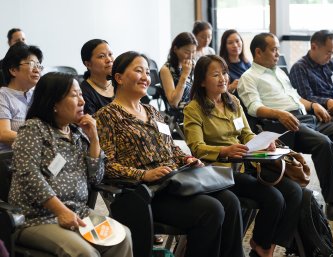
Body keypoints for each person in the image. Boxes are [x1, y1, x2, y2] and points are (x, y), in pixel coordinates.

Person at [95, 51, 244, 257]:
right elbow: (106, 166)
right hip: (147, 193)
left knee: (231, 201)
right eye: (139, 71)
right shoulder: (107, 116)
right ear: (119, 78)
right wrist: (144, 175)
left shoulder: (153, 112)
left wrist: (187, 158)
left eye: (147, 72)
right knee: (212, 210)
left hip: (176, 182)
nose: (146, 77)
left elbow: (172, 148)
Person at [237, 32, 333, 221]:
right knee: (323, 143)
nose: (277, 54)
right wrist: (279, 113)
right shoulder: (249, 77)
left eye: (278, 50)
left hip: (306, 119)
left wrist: (313, 105)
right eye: (273, 50)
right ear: (258, 52)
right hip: (283, 125)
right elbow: (254, 108)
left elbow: (297, 99)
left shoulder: (279, 72)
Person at [184, 55, 302, 257]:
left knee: (294, 192)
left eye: (224, 73)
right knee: (274, 198)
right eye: (215, 74)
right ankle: (262, 248)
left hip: (247, 165)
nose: (223, 78)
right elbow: (197, 148)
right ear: (202, 81)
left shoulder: (233, 102)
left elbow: (246, 133)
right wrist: (224, 151)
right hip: (219, 172)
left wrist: (263, 141)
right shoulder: (194, 109)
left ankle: (263, 245)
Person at [8, 72, 133, 257]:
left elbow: (95, 178)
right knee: (84, 253)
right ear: (54, 103)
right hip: (37, 218)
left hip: (78, 212)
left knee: (123, 237)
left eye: (81, 94)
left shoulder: (77, 134)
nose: (82, 101)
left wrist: (94, 139)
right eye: (74, 95)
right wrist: (61, 211)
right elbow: (28, 174)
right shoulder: (34, 129)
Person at [0, 42, 43, 152]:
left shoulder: (38, 94)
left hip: (36, 156)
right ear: (13, 70)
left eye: (38, 65)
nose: (37, 70)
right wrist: (40, 139)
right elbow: (3, 133)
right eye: (31, 64)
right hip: (9, 160)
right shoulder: (3, 96)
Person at [160, 32, 197, 110]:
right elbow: (174, 103)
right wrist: (184, 75)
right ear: (175, 49)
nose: (190, 56)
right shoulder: (166, 69)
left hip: (196, 108)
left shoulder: (193, 64)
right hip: (181, 113)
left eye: (193, 52)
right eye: (186, 52)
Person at [80, 39, 114, 115]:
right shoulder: (83, 93)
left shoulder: (120, 82)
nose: (109, 59)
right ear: (88, 64)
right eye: (101, 56)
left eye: (110, 54)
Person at [219, 29, 251, 93]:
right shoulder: (221, 66)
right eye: (230, 43)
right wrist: (230, 87)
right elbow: (215, 92)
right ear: (224, 46)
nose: (235, 45)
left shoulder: (247, 63)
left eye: (237, 41)